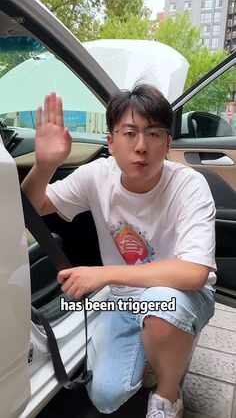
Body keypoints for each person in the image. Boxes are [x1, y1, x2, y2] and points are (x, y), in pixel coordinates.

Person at [21, 85, 216, 418]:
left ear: (168, 143)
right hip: (124, 298)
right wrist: (45, 166)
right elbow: (31, 206)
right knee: (106, 396)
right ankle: (159, 344)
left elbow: (194, 273)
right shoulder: (97, 176)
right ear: (110, 142)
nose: (141, 146)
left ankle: (167, 394)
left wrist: (103, 274)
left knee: (164, 313)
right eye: (129, 133)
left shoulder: (189, 185)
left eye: (154, 133)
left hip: (181, 295)